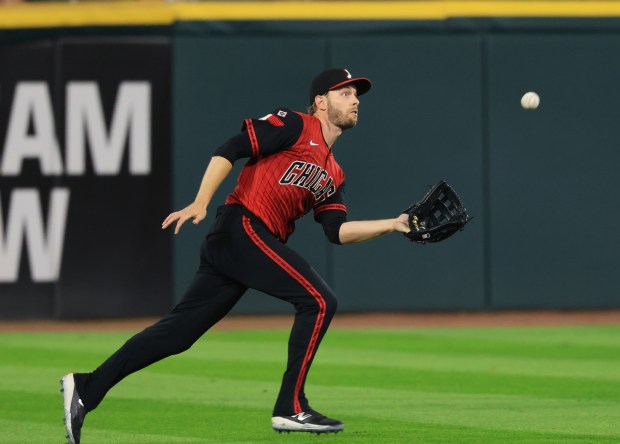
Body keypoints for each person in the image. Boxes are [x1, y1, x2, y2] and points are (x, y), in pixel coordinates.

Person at [61, 67, 411, 443]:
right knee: (320, 300)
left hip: (240, 243)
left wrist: (393, 224)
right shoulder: (295, 124)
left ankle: (86, 387)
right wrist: (200, 200)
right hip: (242, 227)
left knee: (178, 334)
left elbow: (337, 232)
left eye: (357, 95)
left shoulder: (334, 173)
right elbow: (231, 148)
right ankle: (290, 406)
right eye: (345, 93)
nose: (355, 99)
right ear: (321, 102)